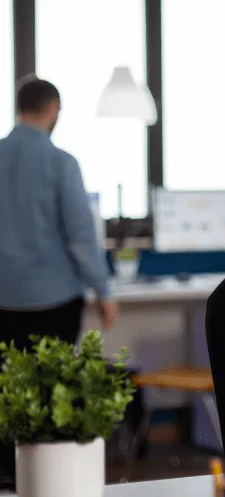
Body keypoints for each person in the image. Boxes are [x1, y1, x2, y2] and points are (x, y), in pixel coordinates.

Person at [0, 77, 117, 485]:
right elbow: (81, 236)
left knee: (5, 392)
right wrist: (103, 290)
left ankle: (6, 480)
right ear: (52, 110)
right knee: (51, 397)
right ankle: (45, 481)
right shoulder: (61, 162)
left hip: (3, 299)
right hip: (54, 299)